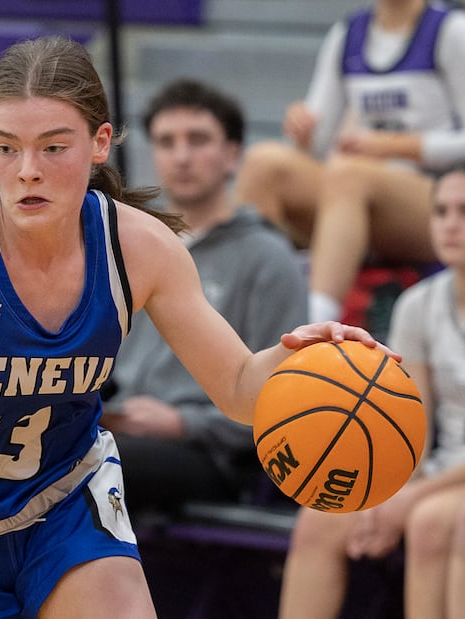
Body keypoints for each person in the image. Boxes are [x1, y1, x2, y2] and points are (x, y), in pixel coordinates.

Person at [0, 36, 389, 618]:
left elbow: (239, 389)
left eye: (53, 147)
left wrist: (307, 356)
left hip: (62, 502)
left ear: (100, 143)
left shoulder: (139, 247)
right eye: (6, 147)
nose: (27, 169)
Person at [277, 159, 465, 619]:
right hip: (441, 469)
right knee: (320, 517)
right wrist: (392, 490)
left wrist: (416, 495)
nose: (450, 224)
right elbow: (410, 419)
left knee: (429, 521)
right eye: (441, 211)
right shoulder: (418, 303)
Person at [100, 79, 308, 516]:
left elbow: (285, 398)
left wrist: (181, 423)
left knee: (92, 466)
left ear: (232, 154)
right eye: (166, 142)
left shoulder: (268, 257)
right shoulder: (136, 245)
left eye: (197, 140)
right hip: (122, 428)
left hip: (215, 455)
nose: (181, 156)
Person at [232, 0, 465, 325]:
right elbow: (319, 144)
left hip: (437, 195)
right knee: (263, 163)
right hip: (359, 189)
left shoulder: (453, 30)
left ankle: (314, 322)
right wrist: (302, 129)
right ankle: (244, 309)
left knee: (350, 173)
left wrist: (393, 146)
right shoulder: (348, 33)